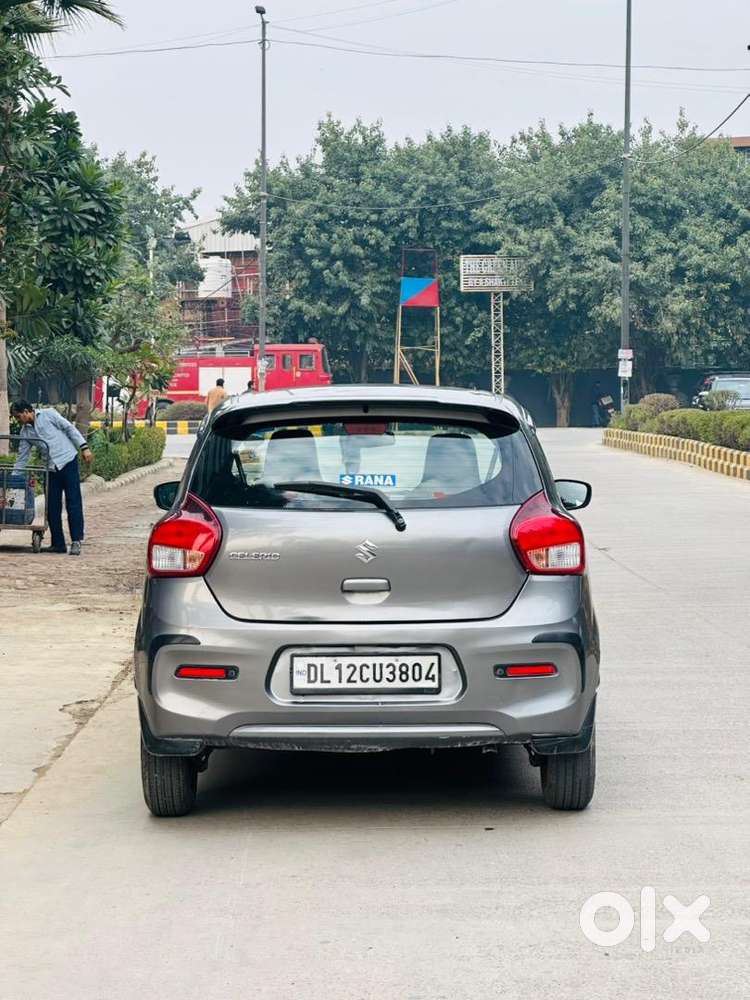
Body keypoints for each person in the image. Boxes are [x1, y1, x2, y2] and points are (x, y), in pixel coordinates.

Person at [12, 401, 93, 555]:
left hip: (68, 461)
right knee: (52, 506)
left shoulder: (49, 414)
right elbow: (22, 457)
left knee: (73, 502)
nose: (18, 420)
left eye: (18, 416)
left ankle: (76, 541)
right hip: (50, 468)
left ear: (25, 411)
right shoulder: (25, 432)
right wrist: (13, 480)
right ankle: (58, 543)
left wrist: (84, 447)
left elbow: (69, 428)